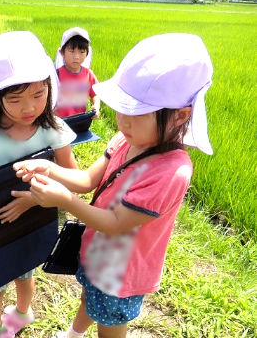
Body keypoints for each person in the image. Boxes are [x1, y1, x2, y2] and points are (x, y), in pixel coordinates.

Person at [13, 33, 214, 338]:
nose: (124, 121)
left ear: (181, 115)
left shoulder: (172, 172)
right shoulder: (125, 140)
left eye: (137, 113)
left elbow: (117, 223)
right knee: (88, 298)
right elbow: (89, 181)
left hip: (121, 275)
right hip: (96, 251)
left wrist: (63, 200)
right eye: (122, 109)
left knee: (109, 324)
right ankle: (74, 334)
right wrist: (49, 168)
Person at [0, 31, 78, 338]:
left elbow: (76, 181)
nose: (29, 108)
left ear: (49, 88)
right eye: (15, 99)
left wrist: (33, 198)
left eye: (38, 95)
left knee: (26, 269)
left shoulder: (53, 128)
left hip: (33, 220)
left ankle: (24, 312)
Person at [54, 27, 100, 119]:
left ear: (87, 53)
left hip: (80, 122)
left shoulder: (88, 74)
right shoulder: (56, 75)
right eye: (71, 51)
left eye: (82, 52)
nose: (76, 57)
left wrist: (96, 106)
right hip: (60, 124)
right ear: (62, 52)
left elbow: (96, 93)